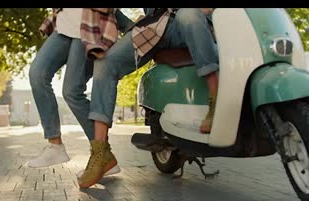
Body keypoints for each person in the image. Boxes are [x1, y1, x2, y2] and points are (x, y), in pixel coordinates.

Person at [78, 8, 219, 188]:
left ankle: (215, 100)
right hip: (155, 25)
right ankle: (100, 152)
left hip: (190, 22)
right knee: (105, 63)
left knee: (189, 14)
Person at [27, 8, 133, 172]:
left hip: (89, 28)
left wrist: (128, 24)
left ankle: (103, 155)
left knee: (71, 92)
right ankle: (55, 146)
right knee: (37, 74)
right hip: (63, 25)